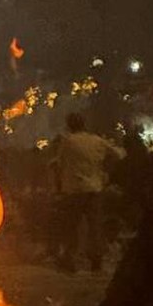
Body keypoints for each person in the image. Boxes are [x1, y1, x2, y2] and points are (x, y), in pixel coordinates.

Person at [52, 112, 125, 272]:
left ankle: (70, 260)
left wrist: (57, 187)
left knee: (72, 227)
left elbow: (58, 164)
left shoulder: (68, 142)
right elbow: (119, 154)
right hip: (94, 189)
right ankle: (96, 262)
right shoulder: (97, 140)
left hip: (74, 190)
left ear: (69, 125)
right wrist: (106, 172)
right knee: (95, 227)